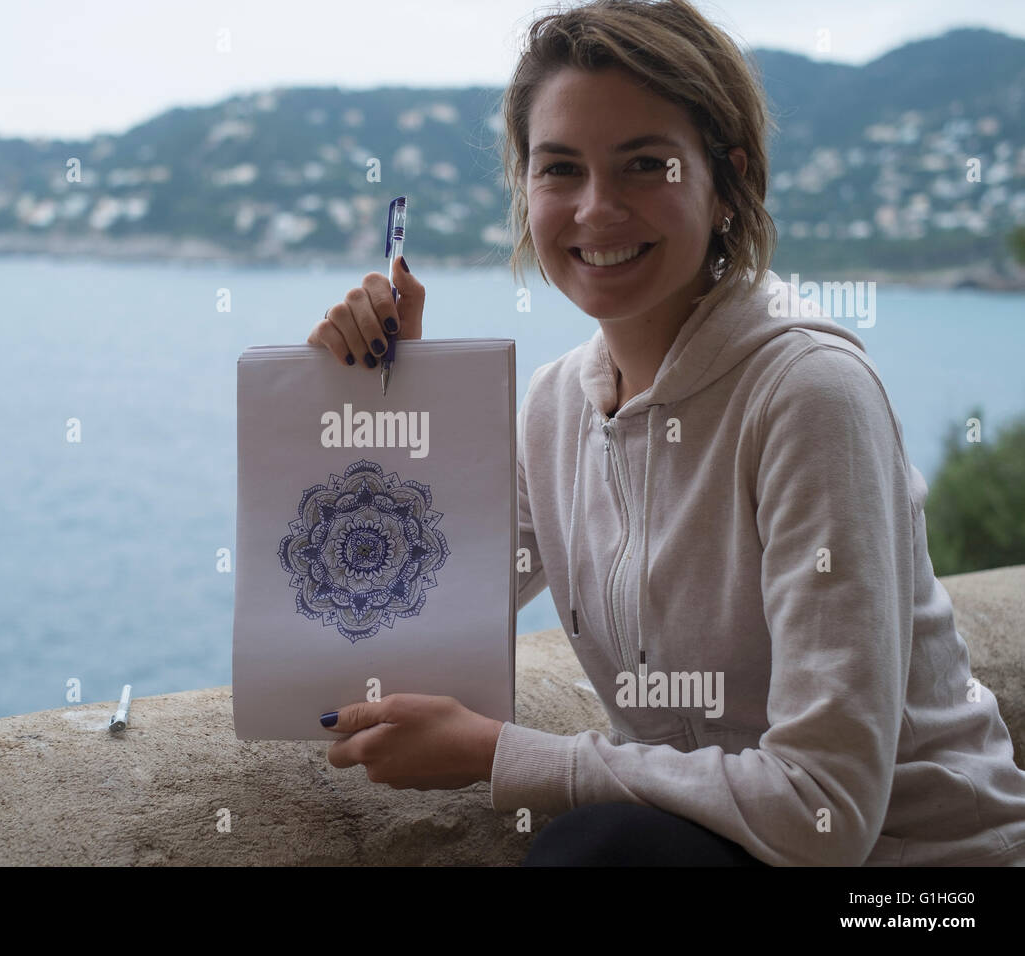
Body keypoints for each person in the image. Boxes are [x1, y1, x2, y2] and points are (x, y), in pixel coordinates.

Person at [305, 0, 1025, 866]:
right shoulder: (553, 409)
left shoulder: (809, 396)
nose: (597, 209)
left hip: (916, 882)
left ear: (727, 183)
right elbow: (403, 625)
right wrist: (393, 401)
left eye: (646, 165)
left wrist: (504, 756)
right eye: (559, 169)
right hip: (713, 845)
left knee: (595, 852)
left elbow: (824, 811)